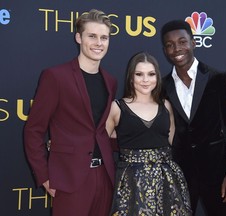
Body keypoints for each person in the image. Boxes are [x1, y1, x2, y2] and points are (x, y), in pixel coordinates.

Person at [24, 9, 117, 216]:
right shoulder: (55, 77)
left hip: (104, 176)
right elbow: (34, 130)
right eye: (92, 36)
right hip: (69, 179)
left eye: (104, 37)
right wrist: (45, 176)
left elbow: (100, 131)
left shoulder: (110, 81)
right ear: (78, 37)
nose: (98, 43)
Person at [160, 20, 226, 216]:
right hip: (179, 176)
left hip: (217, 176)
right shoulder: (162, 86)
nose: (176, 49)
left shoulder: (218, 78)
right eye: (170, 45)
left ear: (193, 43)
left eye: (182, 42)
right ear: (164, 50)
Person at [106, 52, 192, 215]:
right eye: (139, 74)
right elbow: (101, 142)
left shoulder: (166, 106)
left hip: (166, 182)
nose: (145, 80)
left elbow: (170, 140)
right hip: (131, 183)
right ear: (131, 77)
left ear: (157, 77)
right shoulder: (117, 107)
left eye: (151, 74)